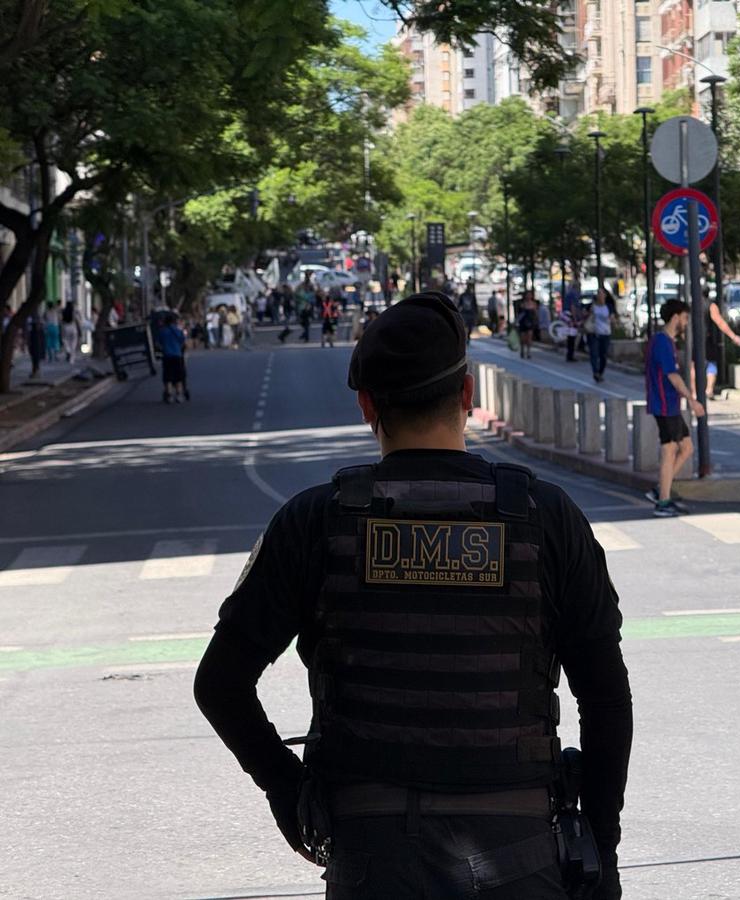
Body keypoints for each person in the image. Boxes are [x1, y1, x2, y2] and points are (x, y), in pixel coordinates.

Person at [194, 292, 631, 900]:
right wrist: (599, 849)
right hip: (522, 854)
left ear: (367, 406)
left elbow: (219, 682)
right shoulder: (546, 518)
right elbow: (606, 699)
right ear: (468, 395)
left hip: (372, 858)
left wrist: (288, 792)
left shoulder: (315, 523)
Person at [644, 300, 706, 517]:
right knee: (669, 450)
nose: (686, 322)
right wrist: (692, 400)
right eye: (685, 318)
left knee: (686, 447)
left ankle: (661, 489)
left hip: (670, 405)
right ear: (675, 317)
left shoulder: (666, 341)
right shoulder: (662, 342)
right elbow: (672, 376)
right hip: (664, 404)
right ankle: (662, 503)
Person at [702, 288, 740, 401]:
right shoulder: (711, 306)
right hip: (708, 339)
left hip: (693, 340)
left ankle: (694, 393)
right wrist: (733, 336)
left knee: (693, 365)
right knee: (711, 364)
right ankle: (709, 390)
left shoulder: (691, 305)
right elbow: (720, 322)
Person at [585, 286, 618, 384]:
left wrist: (613, 320)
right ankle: (595, 372)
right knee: (594, 354)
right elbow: (585, 315)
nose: (599, 295)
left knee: (603, 355)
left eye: (601, 293)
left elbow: (613, 318)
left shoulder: (608, 307)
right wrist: (589, 313)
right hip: (594, 333)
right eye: (598, 293)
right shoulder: (592, 306)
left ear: (605, 295)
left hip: (605, 333)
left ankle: (600, 372)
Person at [157, 312, 189, 403]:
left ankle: (169, 394)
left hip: (167, 356)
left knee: (168, 376)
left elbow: (158, 344)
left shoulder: (162, 331)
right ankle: (179, 394)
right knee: (178, 376)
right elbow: (183, 341)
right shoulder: (178, 331)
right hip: (177, 355)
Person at [516, 291, 538, 359]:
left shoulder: (534, 304)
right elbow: (519, 314)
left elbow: (535, 313)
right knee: (522, 338)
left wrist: (536, 321)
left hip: (530, 322)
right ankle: (522, 349)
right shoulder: (522, 304)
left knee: (529, 338)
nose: (529, 296)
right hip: (523, 322)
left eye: (530, 295)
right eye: (527, 295)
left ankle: (528, 352)